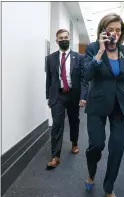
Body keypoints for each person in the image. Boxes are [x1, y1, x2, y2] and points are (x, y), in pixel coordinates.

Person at [83, 13, 124, 197]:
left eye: (118, 30)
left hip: (119, 105)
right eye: (110, 29)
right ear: (103, 30)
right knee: (97, 145)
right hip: (97, 103)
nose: (114, 33)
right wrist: (100, 52)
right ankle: (91, 172)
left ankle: (109, 187)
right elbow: (86, 75)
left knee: (117, 149)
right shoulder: (93, 48)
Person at [46, 29, 88, 169]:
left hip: (73, 95)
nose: (63, 40)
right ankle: (55, 156)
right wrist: (49, 97)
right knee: (57, 124)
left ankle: (74, 142)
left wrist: (83, 96)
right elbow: (49, 79)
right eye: (61, 38)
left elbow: (83, 79)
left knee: (74, 121)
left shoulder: (79, 57)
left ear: (69, 39)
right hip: (58, 95)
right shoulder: (51, 58)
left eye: (66, 37)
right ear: (57, 41)